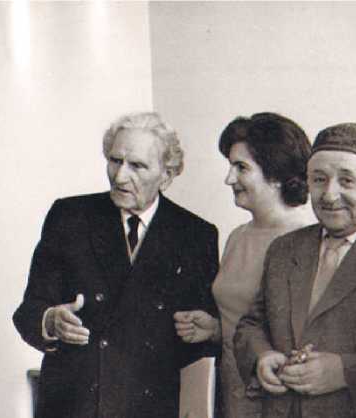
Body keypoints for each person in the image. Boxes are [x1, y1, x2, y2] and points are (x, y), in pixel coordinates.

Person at [12, 112, 219, 418]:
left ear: (166, 175)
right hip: (76, 406)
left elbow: (199, 340)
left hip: (149, 408)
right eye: (115, 160)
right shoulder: (70, 217)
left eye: (137, 166)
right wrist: (50, 321)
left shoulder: (195, 235)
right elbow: (28, 312)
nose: (120, 176)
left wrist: (210, 331)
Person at [234, 123, 356, 418]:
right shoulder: (284, 248)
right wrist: (262, 357)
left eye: (347, 181)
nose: (329, 194)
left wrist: (344, 371)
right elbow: (251, 325)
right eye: (319, 180)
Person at [173, 112, 317, 418]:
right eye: (231, 166)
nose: (229, 178)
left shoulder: (304, 240)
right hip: (230, 393)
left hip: (275, 399)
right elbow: (243, 319)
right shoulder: (238, 236)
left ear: (276, 174)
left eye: (241, 168)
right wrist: (215, 330)